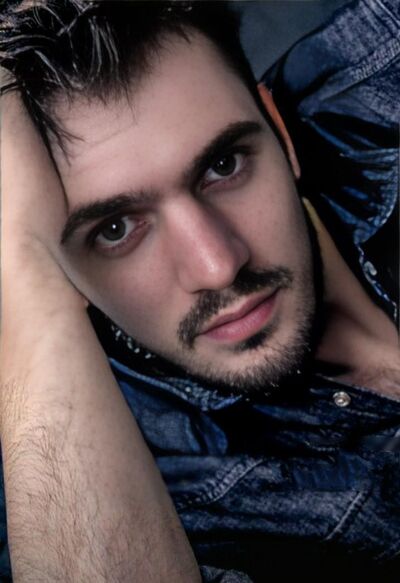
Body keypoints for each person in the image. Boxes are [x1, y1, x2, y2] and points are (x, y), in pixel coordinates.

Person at [0, 0, 399, 580]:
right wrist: (20, 268)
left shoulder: (380, 81)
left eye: (224, 165)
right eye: (116, 229)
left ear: (279, 131)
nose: (217, 267)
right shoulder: (110, 495)